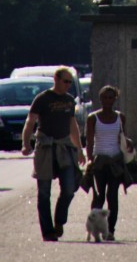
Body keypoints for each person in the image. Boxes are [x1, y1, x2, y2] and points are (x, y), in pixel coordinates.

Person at [22, 67, 86, 242]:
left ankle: (59, 220)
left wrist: (79, 149)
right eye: (65, 81)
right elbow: (30, 121)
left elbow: (73, 125)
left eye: (70, 82)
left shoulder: (69, 100)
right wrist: (26, 143)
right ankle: (48, 231)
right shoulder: (42, 99)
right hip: (46, 147)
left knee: (69, 188)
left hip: (64, 148)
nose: (67, 85)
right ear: (56, 80)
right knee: (44, 193)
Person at [85, 85, 132, 242]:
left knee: (113, 196)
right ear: (100, 99)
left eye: (111, 97)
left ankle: (110, 230)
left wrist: (129, 143)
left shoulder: (120, 117)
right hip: (99, 161)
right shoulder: (93, 118)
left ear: (115, 99)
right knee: (99, 196)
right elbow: (90, 141)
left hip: (115, 161)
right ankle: (94, 229)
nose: (107, 100)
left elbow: (123, 138)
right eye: (104, 97)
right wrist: (89, 159)